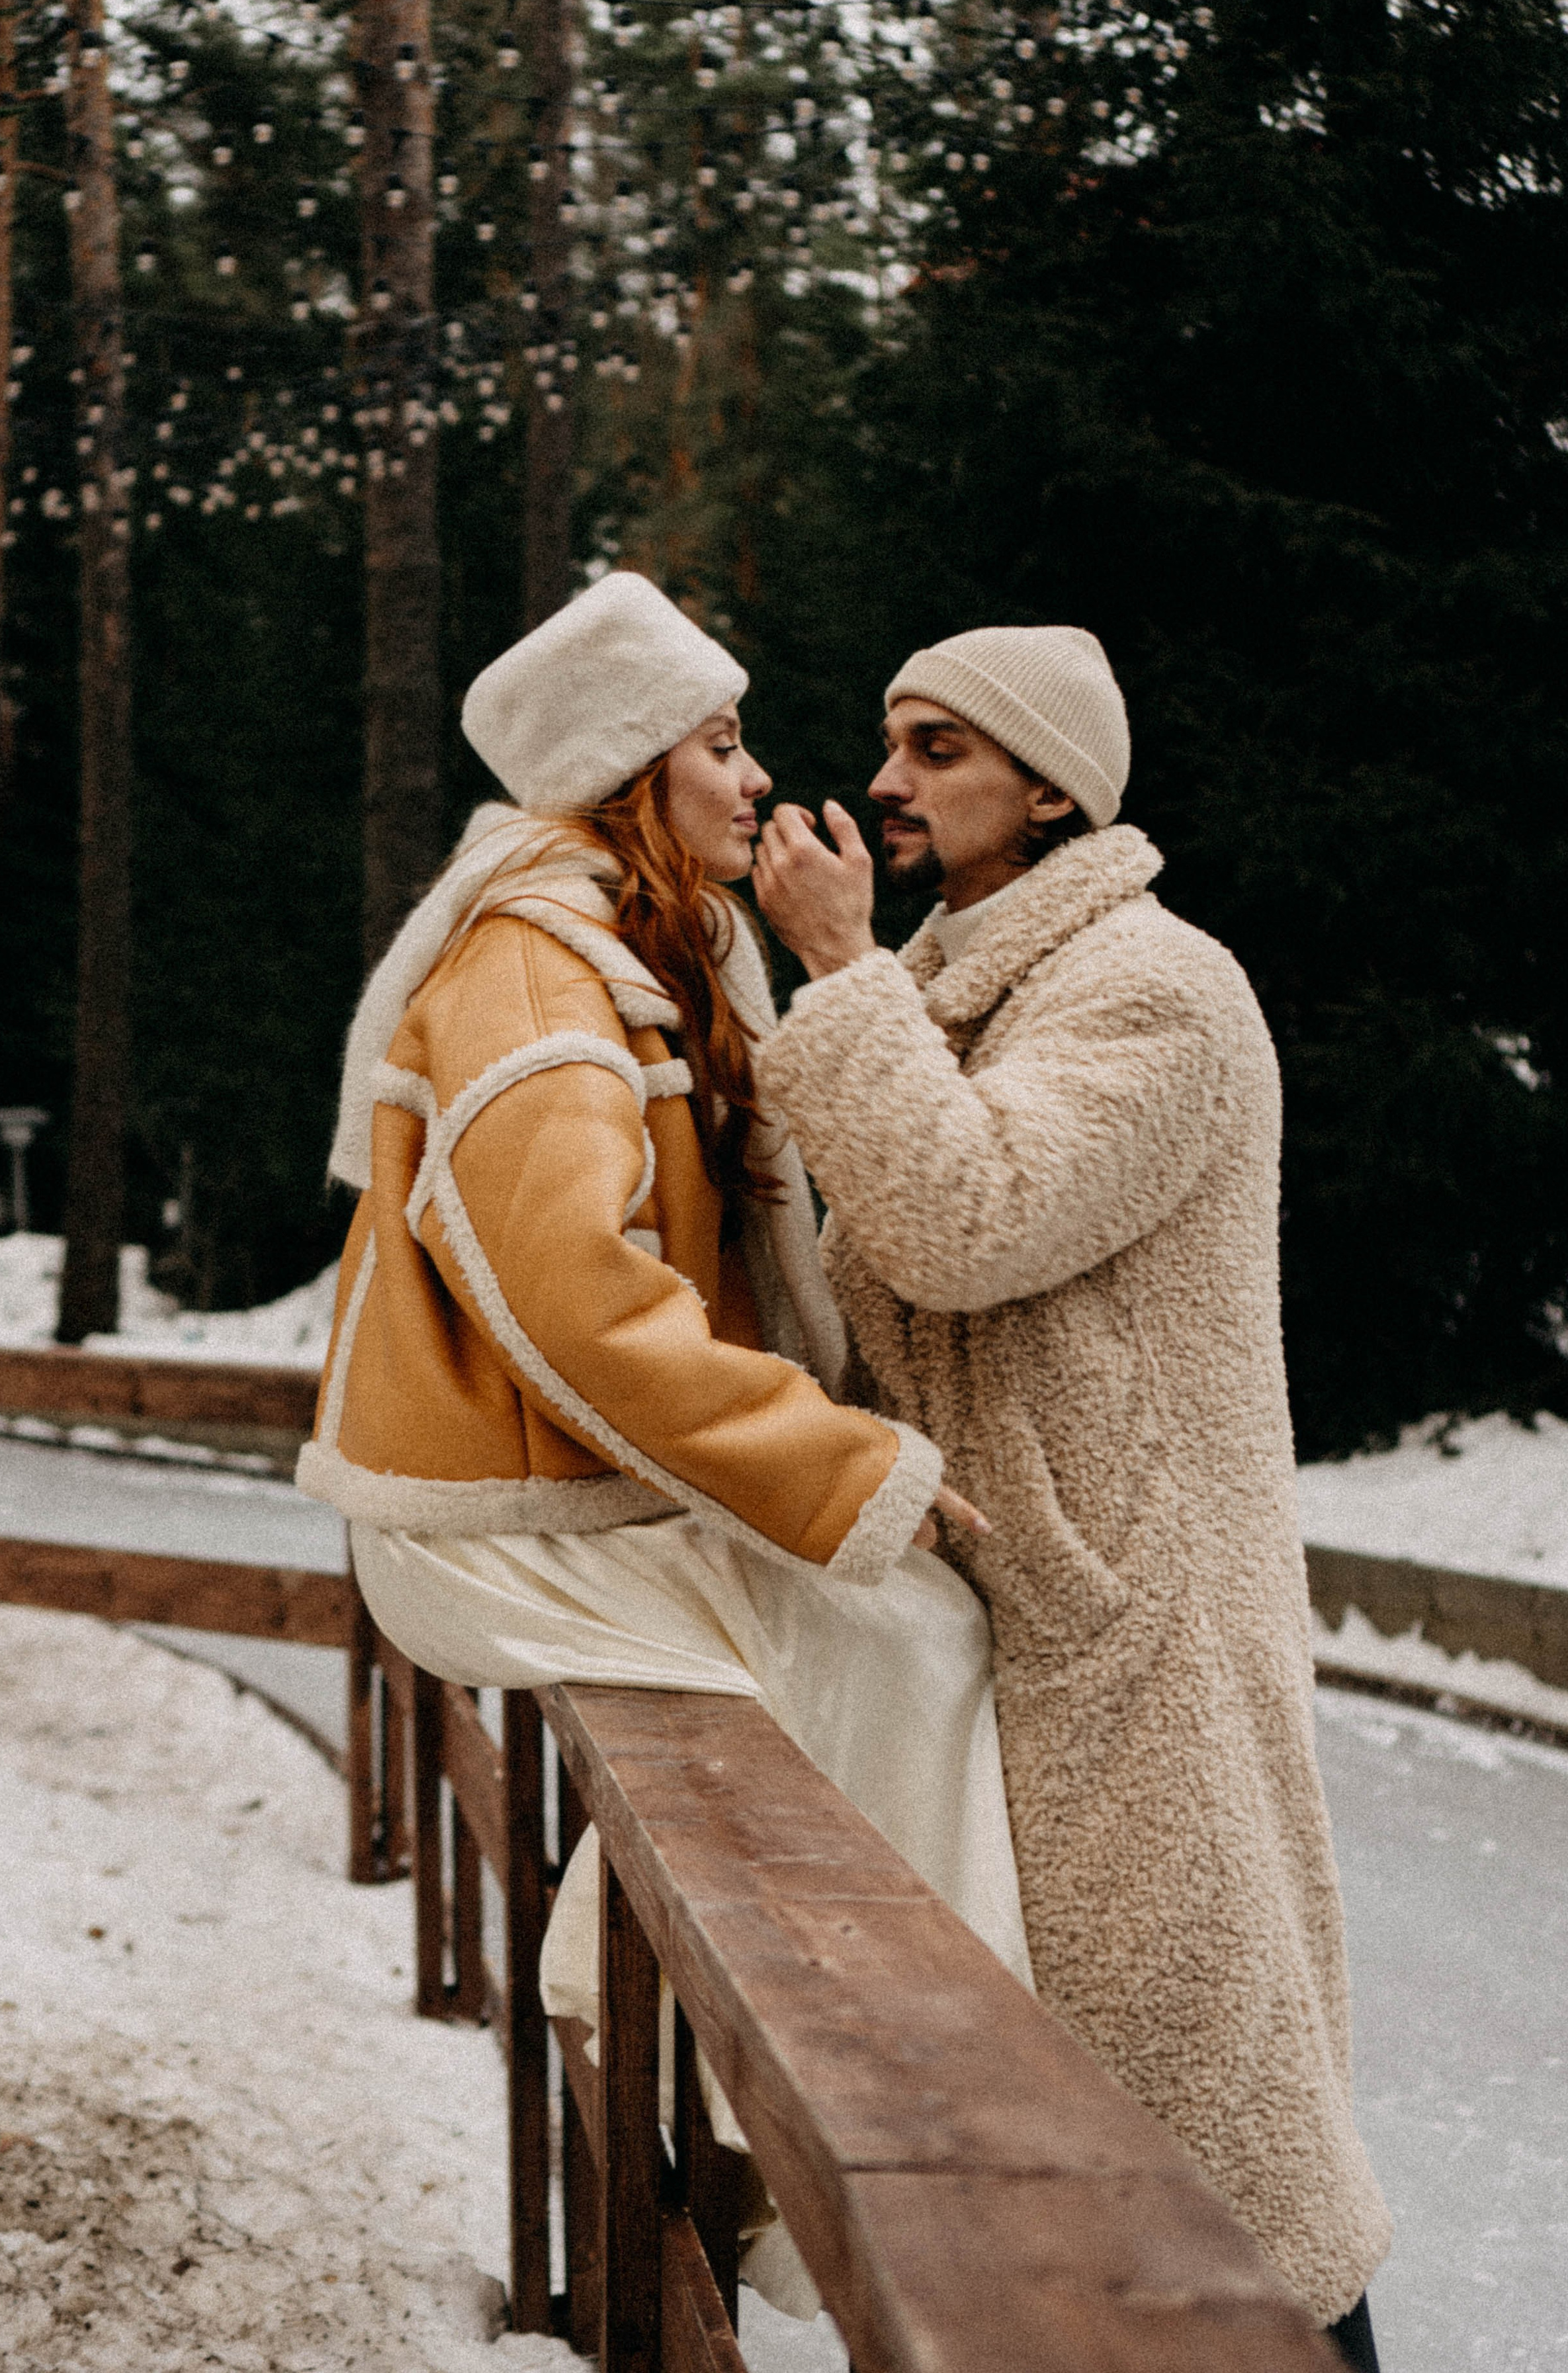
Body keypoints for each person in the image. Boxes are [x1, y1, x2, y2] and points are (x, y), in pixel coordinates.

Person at [297, 572, 1031, 2316]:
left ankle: (809, 2116)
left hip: (565, 1495)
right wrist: (856, 1477)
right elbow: (583, 1308)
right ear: (633, 773)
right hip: (494, 1523)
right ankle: (810, 2118)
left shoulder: (634, 952)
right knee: (898, 1643)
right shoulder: (532, 980)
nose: (760, 773)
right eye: (720, 742)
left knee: (897, 1648)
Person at [750, 624, 1391, 2368]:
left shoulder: (1155, 986)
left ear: (1053, 784)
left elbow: (973, 1223)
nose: (884, 779)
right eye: (888, 741)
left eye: (937, 747)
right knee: (1078, 2180)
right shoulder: (973, 990)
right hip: (1021, 1636)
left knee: (1223, 2173)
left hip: (1142, 1651)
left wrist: (833, 967)